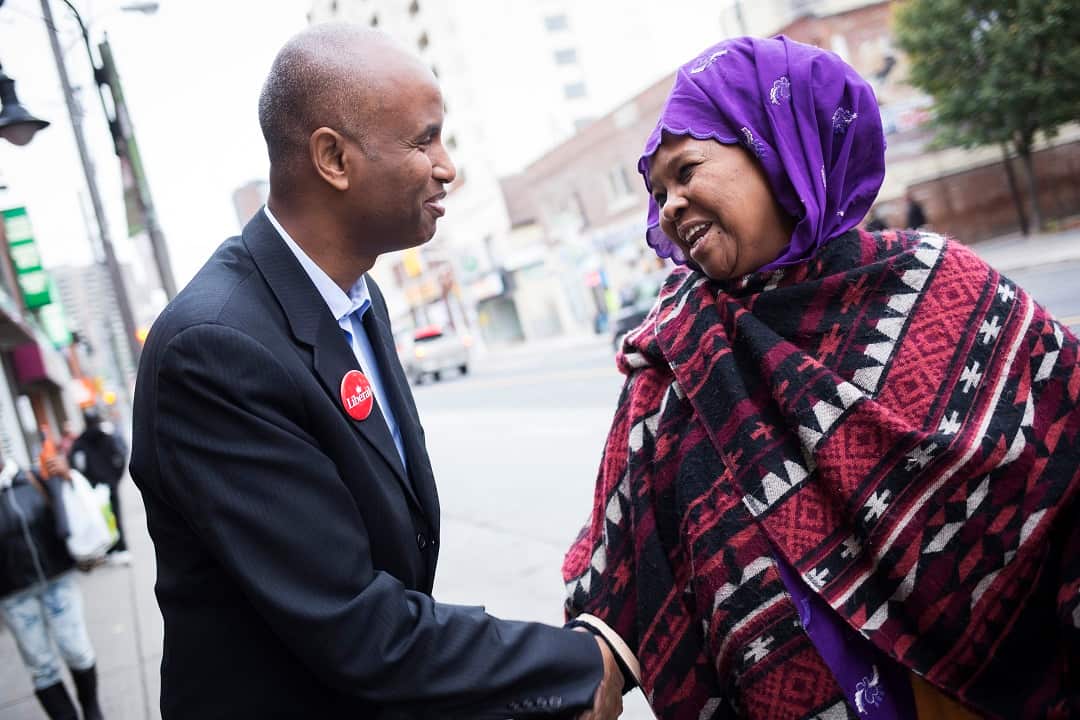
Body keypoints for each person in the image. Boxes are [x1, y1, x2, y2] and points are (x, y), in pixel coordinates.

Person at [563, 36, 1079, 719]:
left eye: (687, 171)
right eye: (658, 194)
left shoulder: (939, 285)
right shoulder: (673, 356)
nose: (671, 206)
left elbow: (1062, 459)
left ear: (778, 146)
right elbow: (618, 567)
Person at [129, 24, 624, 720]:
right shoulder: (214, 349)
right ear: (333, 157)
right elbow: (353, 621)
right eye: (424, 141)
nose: (448, 166)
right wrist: (577, 666)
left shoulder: (356, 295)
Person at [0, 453, 104, 720]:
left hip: (57, 580)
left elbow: (72, 507)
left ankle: (91, 708)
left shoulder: (35, 476)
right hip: (13, 594)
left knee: (77, 650)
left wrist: (67, 476)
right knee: (41, 666)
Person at [69, 407, 130, 564]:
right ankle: (120, 547)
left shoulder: (80, 443)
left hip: (93, 488)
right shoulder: (106, 437)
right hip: (109, 485)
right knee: (115, 516)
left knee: (100, 519)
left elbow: (75, 465)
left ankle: (108, 549)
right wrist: (115, 479)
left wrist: (88, 482)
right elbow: (120, 458)